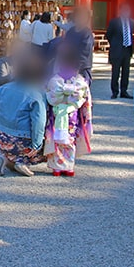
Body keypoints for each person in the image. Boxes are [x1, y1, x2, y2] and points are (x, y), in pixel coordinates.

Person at [0, 53, 46, 177]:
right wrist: (37, 144)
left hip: (2, 138)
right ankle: (22, 162)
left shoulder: (3, 89)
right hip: (22, 140)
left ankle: (5, 159)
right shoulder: (36, 94)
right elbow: (39, 122)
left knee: (10, 148)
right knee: (46, 146)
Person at [43, 45, 92, 177]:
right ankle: (69, 167)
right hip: (72, 114)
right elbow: (84, 100)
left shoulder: (54, 80)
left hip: (57, 112)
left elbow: (49, 97)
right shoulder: (80, 82)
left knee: (55, 138)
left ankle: (57, 167)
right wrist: (86, 116)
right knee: (70, 139)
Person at [105, 3, 134, 98]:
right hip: (117, 50)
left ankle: (124, 91)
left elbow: (131, 34)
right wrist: (114, 44)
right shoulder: (114, 22)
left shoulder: (131, 22)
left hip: (127, 50)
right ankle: (114, 91)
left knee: (126, 72)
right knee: (115, 72)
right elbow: (108, 35)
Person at [64, 7, 95, 86]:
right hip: (69, 66)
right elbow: (65, 47)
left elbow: (85, 52)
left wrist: (77, 67)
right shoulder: (71, 31)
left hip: (83, 68)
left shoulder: (87, 33)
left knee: (81, 92)